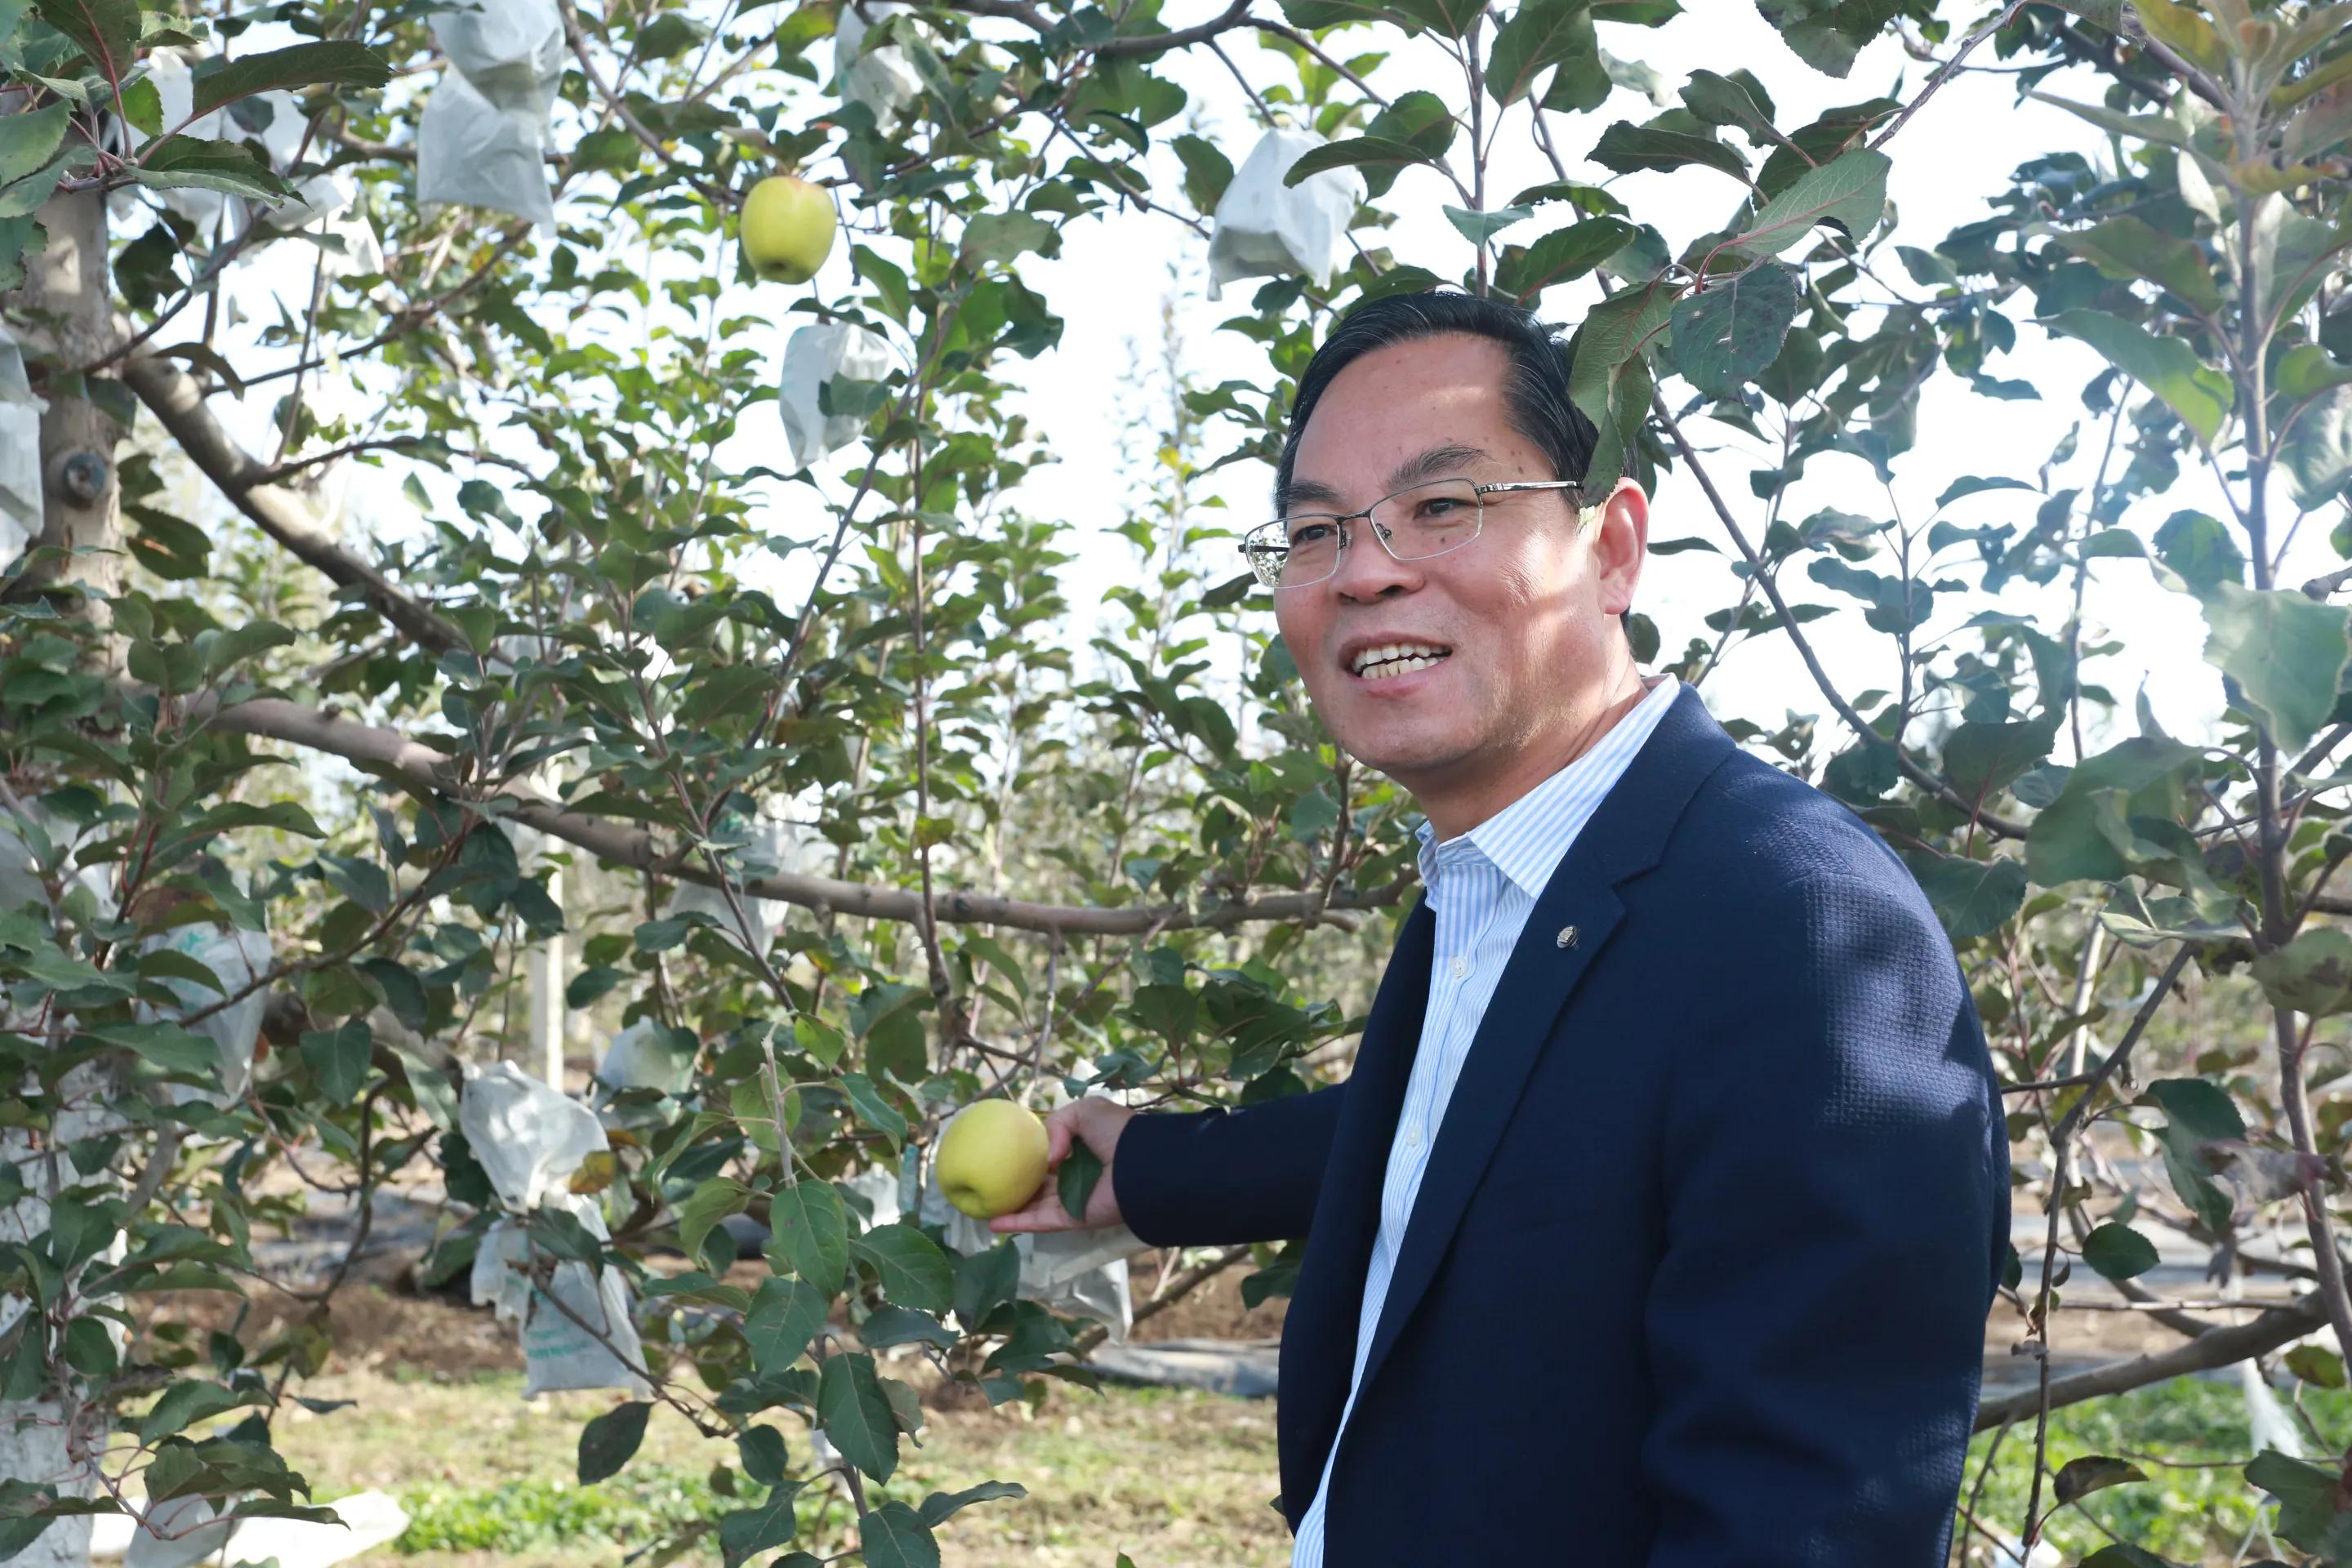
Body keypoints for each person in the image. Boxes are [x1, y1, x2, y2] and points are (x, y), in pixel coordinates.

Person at [989, 289, 2008, 1565]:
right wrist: (1146, 1169)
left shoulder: (1804, 930)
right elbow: (1481, 1121)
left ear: (1611, 550)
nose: (1366, 569)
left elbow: (1804, 1531)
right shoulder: (1515, 875)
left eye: (1443, 504)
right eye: (1315, 532)